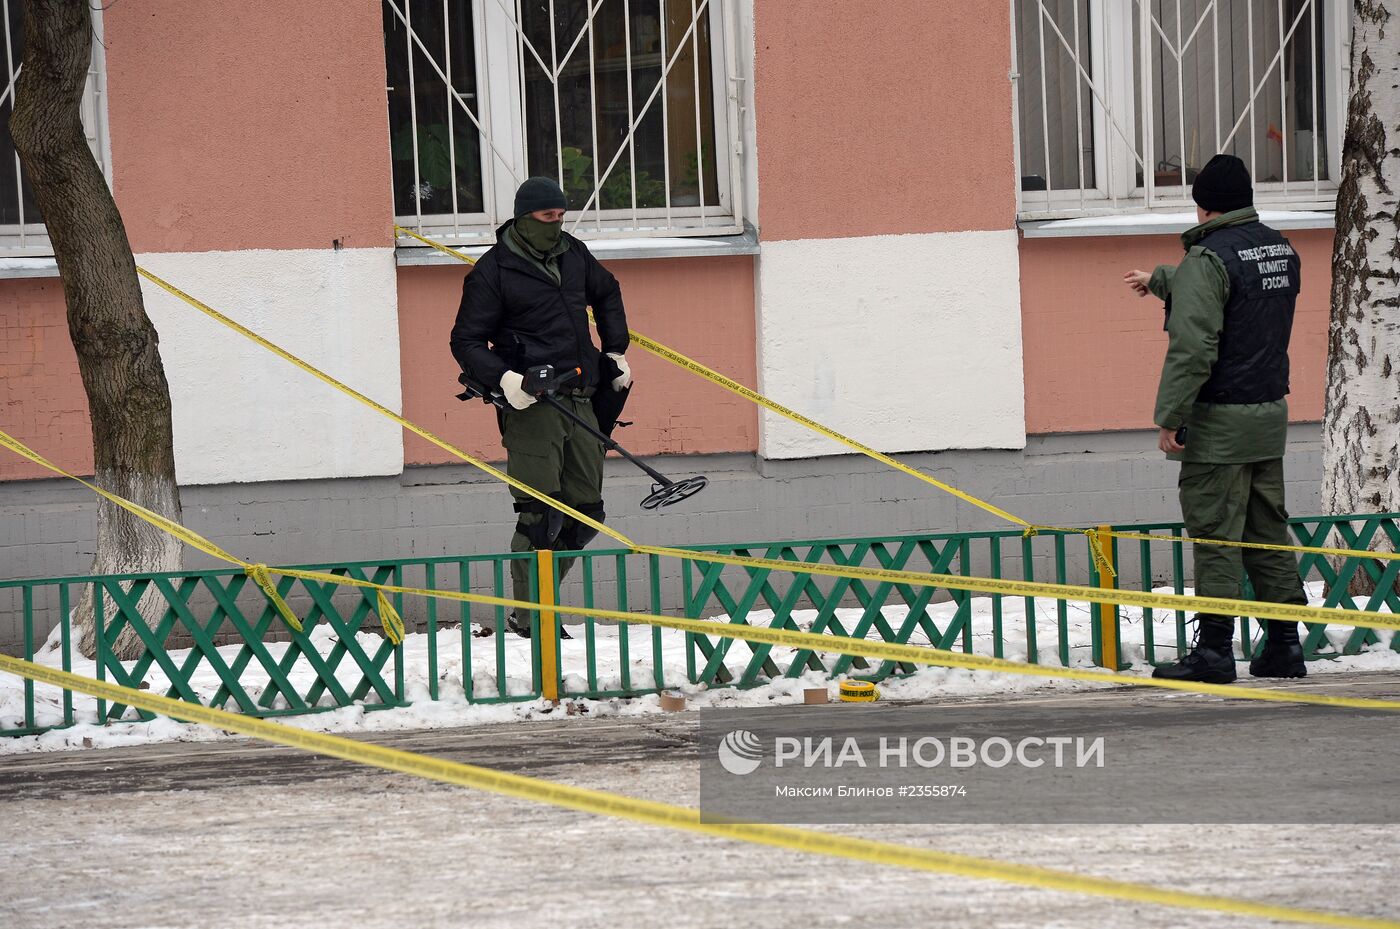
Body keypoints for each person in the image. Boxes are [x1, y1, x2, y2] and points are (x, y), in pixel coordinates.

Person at [1123, 153, 1307, 683]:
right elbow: (1238, 301)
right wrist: (1161, 279)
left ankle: (1216, 653)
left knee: (1217, 535)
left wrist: (1170, 417)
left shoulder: (1207, 258)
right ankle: (1284, 646)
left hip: (1220, 422)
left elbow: (1194, 346)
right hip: (1268, 414)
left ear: (1203, 206)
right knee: (1268, 532)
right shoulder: (1279, 248)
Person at [450, 177, 631, 638]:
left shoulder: (573, 253)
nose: (557, 225)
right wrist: (506, 379)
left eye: (561, 217)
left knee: (587, 511)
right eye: (548, 218)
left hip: (583, 397)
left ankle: (539, 603)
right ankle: (531, 617)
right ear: (525, 217)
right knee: (540, 515)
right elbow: (466, 340)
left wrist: (615, 350)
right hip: (533, 405)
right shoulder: (493, 271)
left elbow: (607, 291)